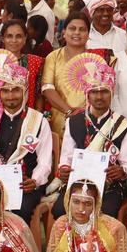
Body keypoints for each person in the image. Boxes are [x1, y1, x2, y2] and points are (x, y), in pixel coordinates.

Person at [0, 50, 52, 225]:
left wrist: (35, 181)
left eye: (15, 90)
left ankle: (18, 243)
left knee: (21, 209)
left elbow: (45, 161)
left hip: (26, 185)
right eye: (5, 91)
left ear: (24, 91)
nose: (11, 96)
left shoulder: (38, 121)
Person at [54, 54, 127, 220]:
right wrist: (64, 170)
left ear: (111, 93)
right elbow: (66, 158)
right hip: (78, 183)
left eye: (104, 92)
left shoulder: (122, 124)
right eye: (94, 92)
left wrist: (121, 171)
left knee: (107, 211)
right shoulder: (73, 121)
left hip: (110, 186)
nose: (99, 97)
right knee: (59, 210)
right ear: (87, 95)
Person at [41, 12, 96, 162]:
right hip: (59, 120)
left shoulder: (95, 59)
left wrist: (82, 115)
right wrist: (70, 112)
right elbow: (47, 88)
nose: (77, 32)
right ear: (64, 32)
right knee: (59, 164)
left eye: (82, 29)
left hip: (89, 121)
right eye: (72, 28)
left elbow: (100, 92)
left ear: (88, 34)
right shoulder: (53, 57)